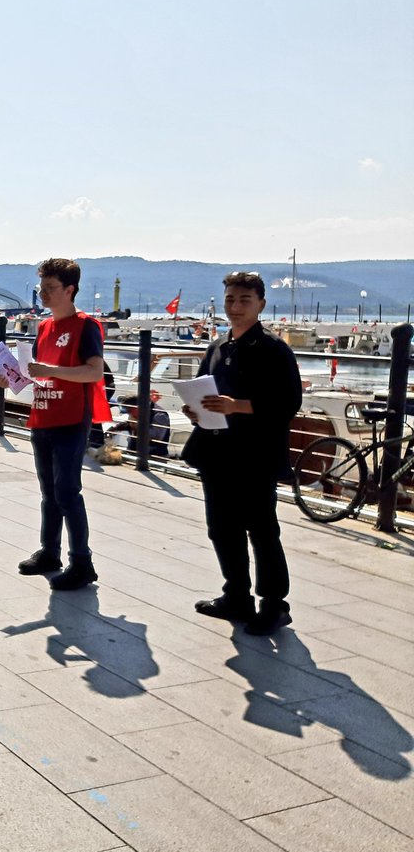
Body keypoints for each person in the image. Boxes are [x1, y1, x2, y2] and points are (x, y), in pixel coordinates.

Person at [181, 271, 302, 636]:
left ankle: (274, 604)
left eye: (244, 300)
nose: (235, 307)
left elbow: (288, 402)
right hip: (215, 450)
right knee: (221, 528)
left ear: (261, 304)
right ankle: (236, 595)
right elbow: (203, 386)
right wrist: (194, 408)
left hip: (255, 454)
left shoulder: (273, 348)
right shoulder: (218, 346)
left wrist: (238, 406)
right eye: (230, 299)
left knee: (262, 529)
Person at [0, 258, 111, 591]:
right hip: (43, 414)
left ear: (70, 289)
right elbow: (38, 374)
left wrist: (50, 370)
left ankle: (82, 562)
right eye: (41, 287)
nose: (43, 294)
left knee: (67, 491)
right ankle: (50, 551)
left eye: (50, 288)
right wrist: (12, 379)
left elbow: (92, 372)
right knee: (49, 491)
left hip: (71, 418)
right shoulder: (45, 327)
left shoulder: (85, 326)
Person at [112, 391, 171, 457]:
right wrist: (116, 428)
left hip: (153, 456)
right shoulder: (136, 414)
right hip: (134, 453)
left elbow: (156, 436)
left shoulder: (159, 415)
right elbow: (130, 424)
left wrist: (137, 425)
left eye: (130, 410)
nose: (129, 413)